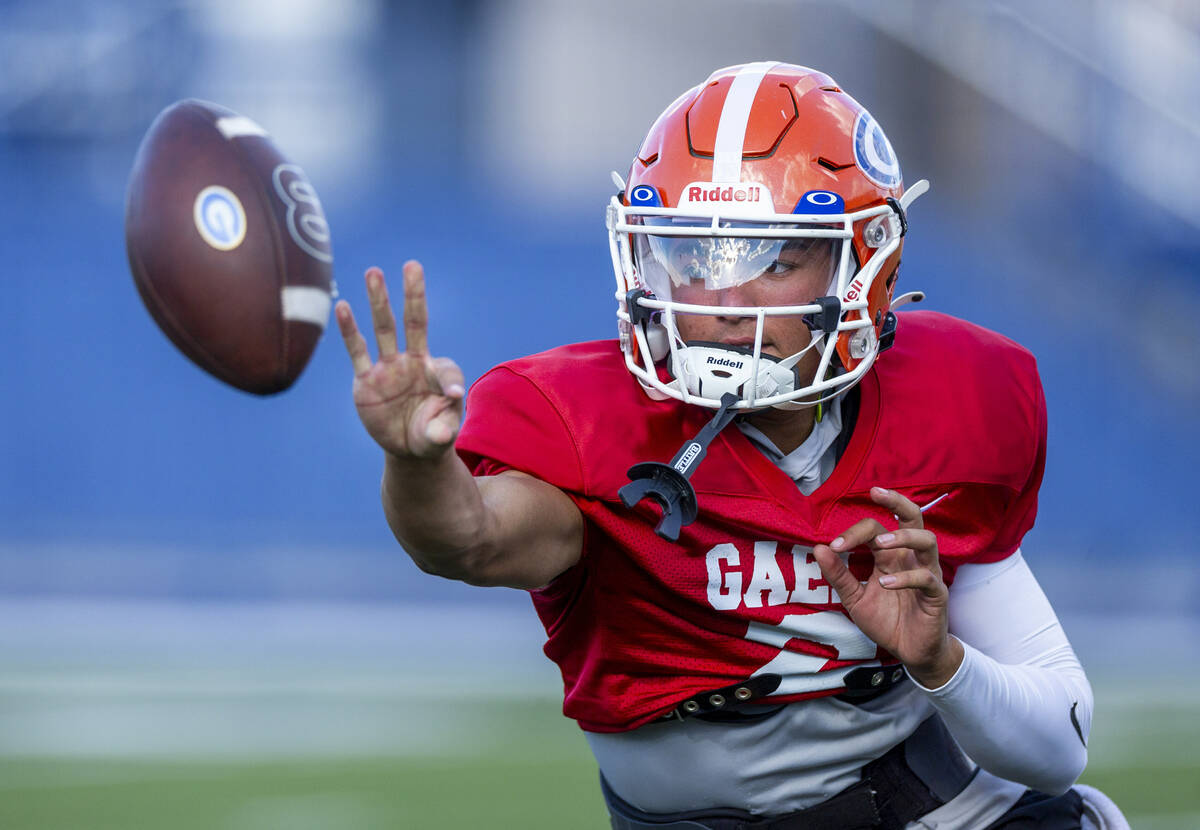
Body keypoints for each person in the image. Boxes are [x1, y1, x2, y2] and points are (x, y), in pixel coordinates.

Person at [335, 62, 1129, 829]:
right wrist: (416, 461)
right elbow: (468, 539)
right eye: (692, 258)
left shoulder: (953, 397)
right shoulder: (589, 419)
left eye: (774, 259)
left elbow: (1057, 746)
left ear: (865, 264)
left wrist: (941, 662)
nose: (721, 301)